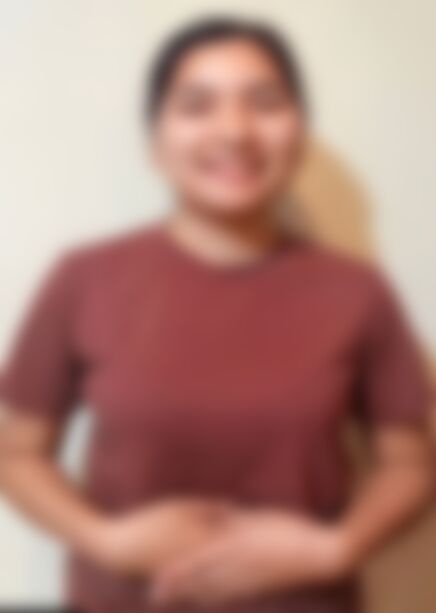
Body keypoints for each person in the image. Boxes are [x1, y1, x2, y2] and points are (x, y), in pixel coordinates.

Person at [0, 16, 434, 613]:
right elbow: (17, 452)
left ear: (299, 133)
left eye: (265, 102)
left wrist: (334, 550)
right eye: (197, 105)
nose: (234, 130)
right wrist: (105, 540)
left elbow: (411, 464)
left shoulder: (357, 291)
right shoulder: (83, 278)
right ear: (155, 141)